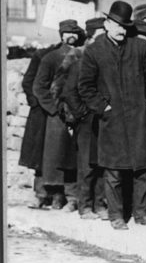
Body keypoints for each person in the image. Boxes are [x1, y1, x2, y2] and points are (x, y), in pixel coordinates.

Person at [78, 1, 146, 230]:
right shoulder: (95, 50)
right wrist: (102, 107)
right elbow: (85, 86)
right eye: (116, 25)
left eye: (125, 26)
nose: (121, 30)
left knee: (143, 168)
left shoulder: (140, 47)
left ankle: (142, 213)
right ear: (106, 24)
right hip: (111, 120)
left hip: (139, 118)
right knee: (113, 171)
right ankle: (116, 215)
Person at [58, 17, 107, 220]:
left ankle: (100, 204)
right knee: (87, 164)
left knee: (102, 163)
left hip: (103, 119)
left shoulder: (104, 61)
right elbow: (69, 92)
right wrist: (82, 114)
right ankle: (85, 206)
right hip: (87, 122)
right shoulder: (81, 63)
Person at [32, 19, 84, 210]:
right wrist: (53, 109)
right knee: (53, 156)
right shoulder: (50, 58)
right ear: (61, 34)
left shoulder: (82, 55)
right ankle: (51, 193)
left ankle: (71, 196)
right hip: (56, 114)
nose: (71, 36)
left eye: (75, 33)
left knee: (73, 156)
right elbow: (39, 86)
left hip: (77, 111)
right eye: (67, 32)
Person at [20, 41, 57, 208]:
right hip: (41, 112)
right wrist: (37, 104)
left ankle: (58, 194)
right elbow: (28, 82)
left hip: (60, 110)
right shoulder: (41, 55)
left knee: (60, 152)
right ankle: (41, 193)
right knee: (40, 153)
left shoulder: (75, 53)